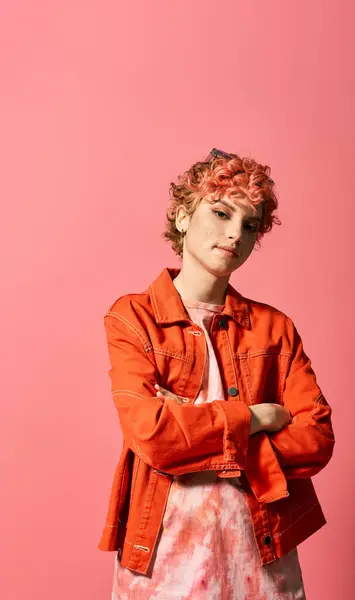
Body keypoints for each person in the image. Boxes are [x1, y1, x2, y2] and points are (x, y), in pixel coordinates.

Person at [98, 148, 335, 599]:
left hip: (261, 549)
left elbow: (317, 442)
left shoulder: (275, 328)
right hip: (166, 549)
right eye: (222, 213)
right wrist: (259, 418)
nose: (234, 235)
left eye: (249, 226)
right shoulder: (133, 317)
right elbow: (150, 434)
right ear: (183, 216)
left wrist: (192, 423)